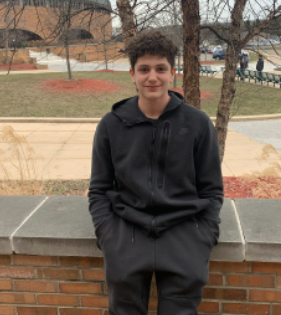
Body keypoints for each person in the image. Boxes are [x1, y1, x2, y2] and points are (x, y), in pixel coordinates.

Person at [88, 30, 223, 315]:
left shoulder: (197, 124)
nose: (153, 77)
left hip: (184, 232)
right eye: (144, 69)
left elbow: (211, 190)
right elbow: (99, 189)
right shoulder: (111, 125)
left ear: (172, 73)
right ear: (132, 74)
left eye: (161, 69)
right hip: (126, 234)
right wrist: (108, 235)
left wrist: (203, 235)